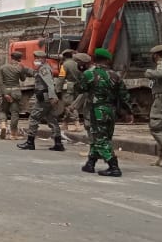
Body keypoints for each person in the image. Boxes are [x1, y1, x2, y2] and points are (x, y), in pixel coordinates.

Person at [77, 48, 132, 177]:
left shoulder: (89, 74)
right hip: (111, 110)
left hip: (97, 110)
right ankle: (91, 163)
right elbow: (124, 95)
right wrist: (128, 112)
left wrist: (81, 74)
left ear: (95, 59)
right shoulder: (115, 75)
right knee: (102, 136)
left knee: (100, 139)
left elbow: (80, 88)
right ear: (107, 60)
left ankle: (114, 166)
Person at [17, 50, 64, 152]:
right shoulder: (42, 68)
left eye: (37, 58)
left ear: (43, 59)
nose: (36, 60)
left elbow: (50, 83)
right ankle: (58, 143)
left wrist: (53, 96)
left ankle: (30, 142)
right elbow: (35, 74)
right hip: (45, 97)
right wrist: (25, 69)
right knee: (51, 119)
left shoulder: (44, 69)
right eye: (35, 58)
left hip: (44, 98)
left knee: (34, 117)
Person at [0, 51, 32, 140]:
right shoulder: (20, 67)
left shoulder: (2, 68)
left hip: (6, 91)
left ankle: (3, 125)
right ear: (19, 59)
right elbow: (23, 79)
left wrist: (5, 93)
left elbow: (1, 82)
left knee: (3, 110)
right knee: (15, 113)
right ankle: (13, 134)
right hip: (16, 92)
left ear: (11, 58)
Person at [69, 52, 93, 135]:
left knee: (90, 126)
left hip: (92, 104)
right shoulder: (94, 71)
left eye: (78, 63)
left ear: (83, 63)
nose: (77, 65)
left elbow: (85, 92)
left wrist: (74, 105)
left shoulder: (88, 74)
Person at [57, 49, 81, 133]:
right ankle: (65, 124)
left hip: (68, 88)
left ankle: (77, 124)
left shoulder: (65, 65)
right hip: (76, 87)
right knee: (71, 104)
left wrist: (58, 89)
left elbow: (61, 78)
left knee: (68, 105)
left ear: (64, 57)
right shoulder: (76, 64)